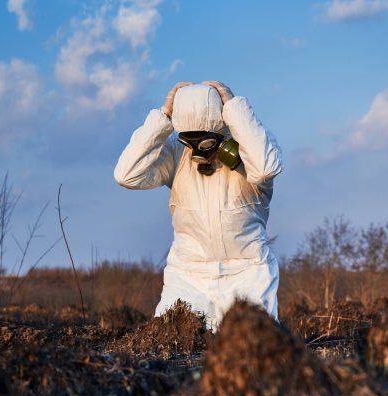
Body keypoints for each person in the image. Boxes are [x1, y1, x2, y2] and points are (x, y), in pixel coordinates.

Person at [114, 81, 282, 330]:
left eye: (205, 141)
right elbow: (126, 174)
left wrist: (235, 108)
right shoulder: (176, 154)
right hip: (187, 276)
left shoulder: (253, 150)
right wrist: (163, 116)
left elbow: (267, 167)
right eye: (189, 141)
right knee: (172, 345)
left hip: (248, 273)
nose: (197, 150)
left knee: (253, 350)